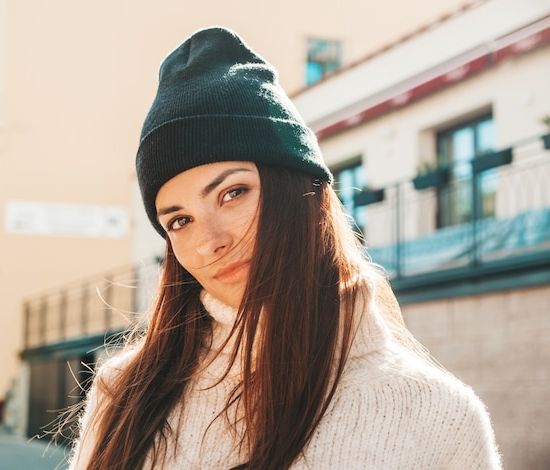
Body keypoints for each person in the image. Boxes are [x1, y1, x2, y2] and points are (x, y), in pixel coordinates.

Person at [68, 27, 501, 469]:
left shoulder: (439, 416)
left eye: (233, 193)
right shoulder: (123, 394)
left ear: (302, 189)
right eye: (179, 221)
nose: (210, 241)